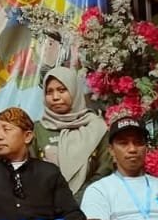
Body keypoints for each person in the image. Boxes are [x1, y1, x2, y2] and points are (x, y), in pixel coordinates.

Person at [34, 66, 112, 199]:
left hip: (89, 202)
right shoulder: (37, 130)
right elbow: (31, 173)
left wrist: (76, 200)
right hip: (45, 204)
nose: (55, 97)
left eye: (62, 90)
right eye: (49, 92)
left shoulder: (96, 127)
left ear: (74, 90)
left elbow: (104, 170)